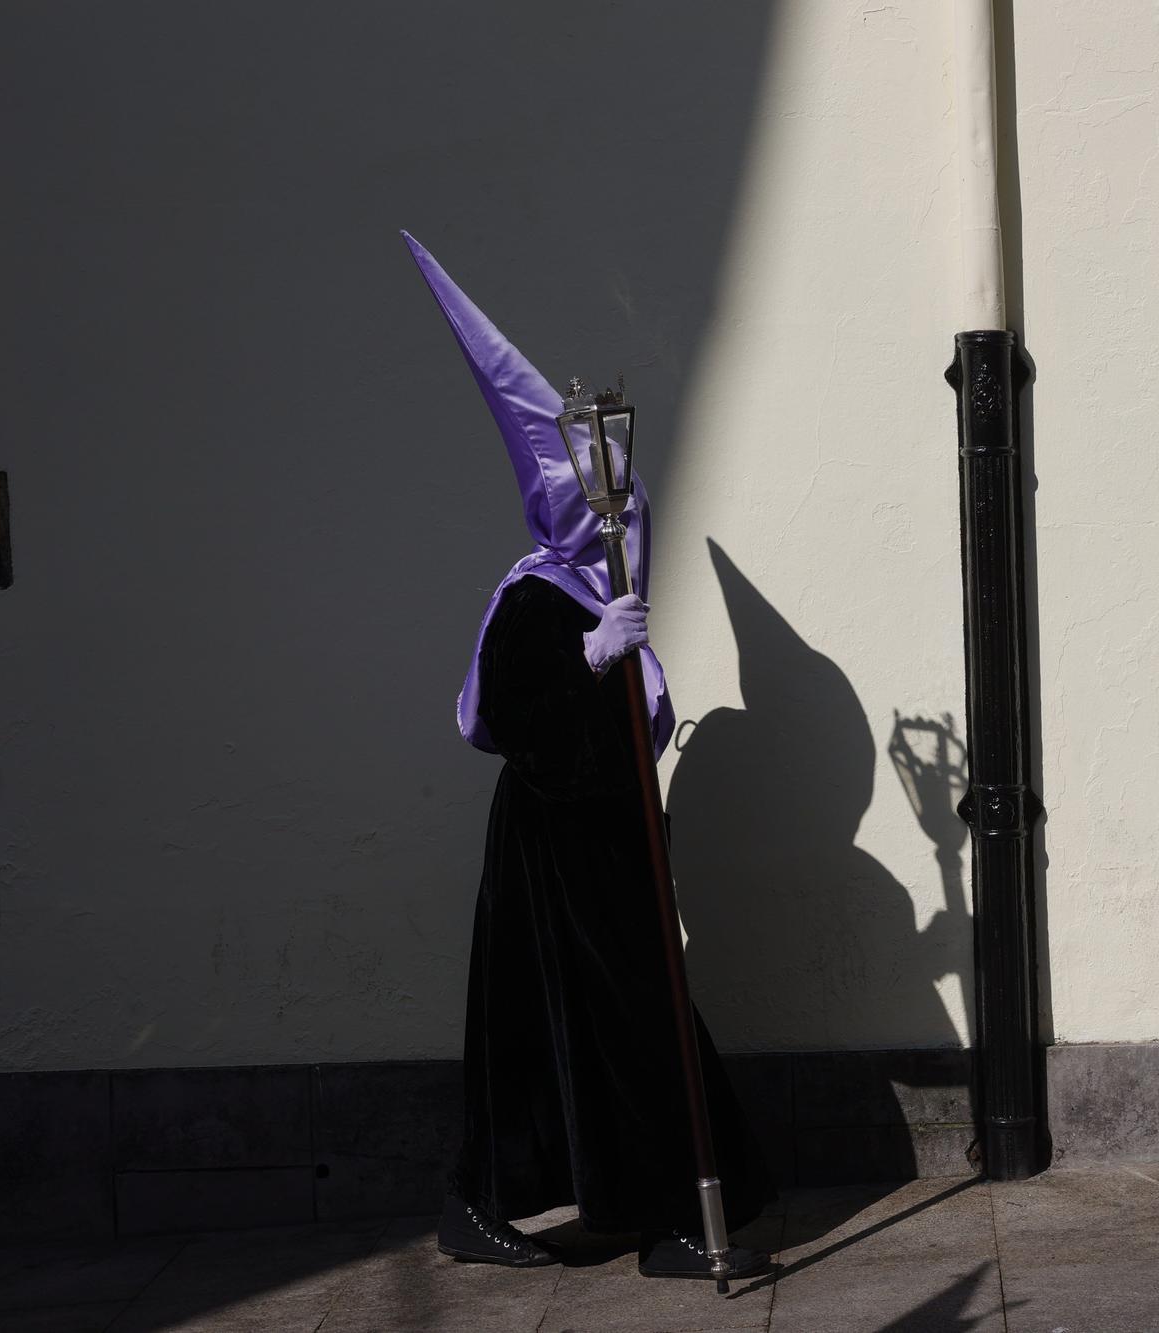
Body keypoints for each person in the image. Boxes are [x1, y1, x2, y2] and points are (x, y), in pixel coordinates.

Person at [405, 234, 774, 1275]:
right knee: (563, 1032)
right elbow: (516, 725)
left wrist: (614, 652)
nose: (633, 523)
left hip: (603, 848)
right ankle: (557, 1211)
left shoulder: (593, 594)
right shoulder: (536, 598)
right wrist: (586, 657)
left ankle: (657, 1212)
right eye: (613, 505)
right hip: (552, 859)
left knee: (621, 1029)